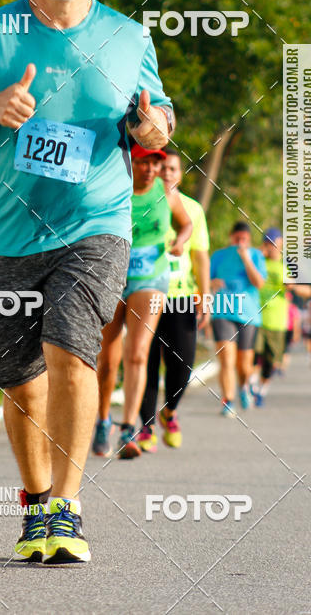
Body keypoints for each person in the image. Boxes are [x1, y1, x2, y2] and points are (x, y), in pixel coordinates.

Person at [0, 0, 174, 564]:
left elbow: (158, 123)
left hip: (95, 223)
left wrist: (153, 130)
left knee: (71, 349)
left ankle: (67, 509)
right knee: (22, 383)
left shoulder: (128, 37)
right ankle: (37, 502)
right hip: (7, 233)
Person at [94, 145, 192, 459]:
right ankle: (102, 418)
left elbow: (186, 223)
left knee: (137, 353)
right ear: (130, 162)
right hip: (113, 276)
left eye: (155, 164)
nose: (150, 169)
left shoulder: (167, 192)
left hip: (151, 280)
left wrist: (179, 241)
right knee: (108, 360)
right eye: (142, 162)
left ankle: (128, 428)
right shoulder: (115, 190)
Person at [137, 148, 210, 451]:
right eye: (163, 168)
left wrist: (204, 296)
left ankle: (170, 411)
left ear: (181, 175)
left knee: (183, 366)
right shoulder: (140, 202)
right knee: (146, 361)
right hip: (145, 295)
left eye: (173, 169)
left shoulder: (192, 209)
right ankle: (145, 428)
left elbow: (201, 255)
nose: (167, 173)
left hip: (181, 299)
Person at [210, 221, 267, 417]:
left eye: (244, 239)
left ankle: (244, 387)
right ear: (231, 237)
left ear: (249, 240)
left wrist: (246, 259)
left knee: (244, 365)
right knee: (226, 358)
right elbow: (204, 280)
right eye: (237, 238)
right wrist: (211, 283)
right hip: (222, 312)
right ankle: (228, 400)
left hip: (248, 314)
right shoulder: (218, 256)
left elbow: (259, 283)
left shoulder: (257, 256)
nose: (240, 242)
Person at [251, 228, 311, 406]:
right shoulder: (257, 261)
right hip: (256, 316)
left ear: (281, 243)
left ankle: (261, 390)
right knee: (254, 355)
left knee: (270, 362)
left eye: (274, 243)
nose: (271, 247)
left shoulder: (289, 265)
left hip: (278, 321)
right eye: (268, 243)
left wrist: (292, 286)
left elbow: (308, 290)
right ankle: (251, 384)